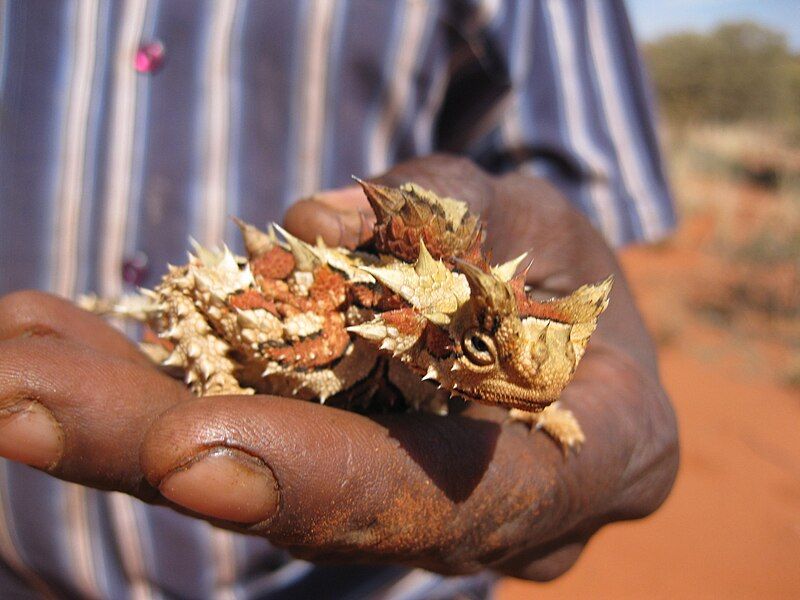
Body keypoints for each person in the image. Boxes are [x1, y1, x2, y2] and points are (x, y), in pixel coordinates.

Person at [0, 1, 678, 598]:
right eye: (478, 348)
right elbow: (198, 286)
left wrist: (555, 399)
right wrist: (213, 380)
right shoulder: (324, 340)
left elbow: (584, 215)